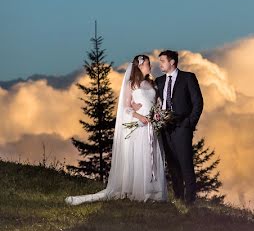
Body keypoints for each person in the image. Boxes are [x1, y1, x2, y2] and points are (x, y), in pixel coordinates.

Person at [65, 55, 167, 205]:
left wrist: (158, 115)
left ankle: (154, 191)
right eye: (147, 64)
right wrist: (138, 115)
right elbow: (125, 107)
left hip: (152, 125)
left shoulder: (152, 84)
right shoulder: (131, 85)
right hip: (140, 125)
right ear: (139, 66)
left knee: (152, 156)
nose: (149, 66)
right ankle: (140, 190)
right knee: (141, 155)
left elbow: (156, 103)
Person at [156, 49, 204, 204]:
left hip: (182, 127)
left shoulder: (188, 78)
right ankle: (178, 198)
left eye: (162, 61)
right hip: (165, 129)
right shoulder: (159, 81)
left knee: (186, 165)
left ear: (172, 62)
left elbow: (198, 102)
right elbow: (157, 103)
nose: (160, 64)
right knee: (172, 166)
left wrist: (190, 123)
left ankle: (190, 202)